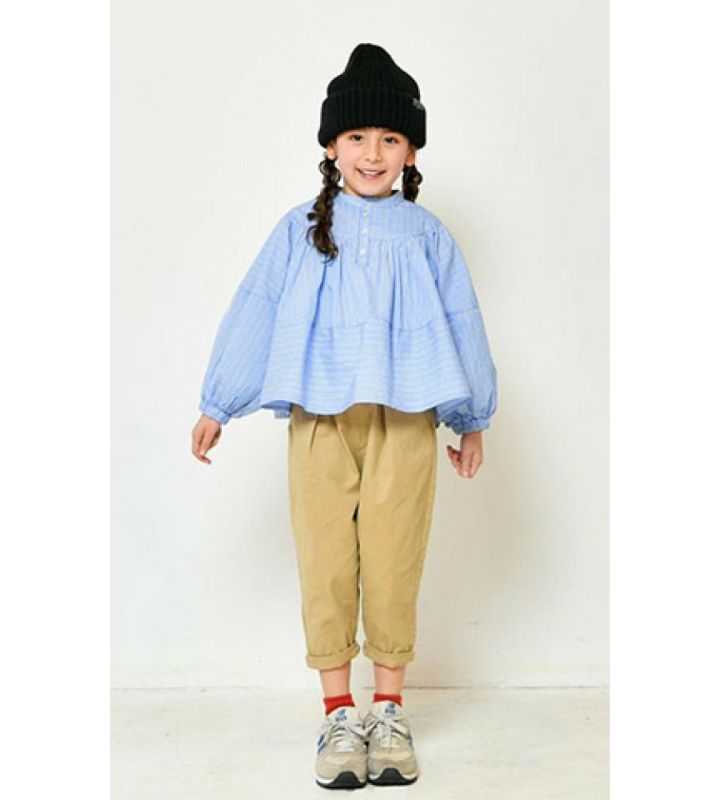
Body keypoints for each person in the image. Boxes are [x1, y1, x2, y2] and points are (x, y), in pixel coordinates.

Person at [191, 43, 498, 790]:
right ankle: (337, 714)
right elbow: (256, 307)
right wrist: (218, 402)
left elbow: (463, 321)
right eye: (357, 137)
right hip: (319, 419)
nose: (372, 153)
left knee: (394, 561)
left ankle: (388, 711)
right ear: (331, 146)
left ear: (411, 152)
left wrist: (471, 417)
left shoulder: (426, 236)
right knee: (326, 564)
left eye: (390, 139)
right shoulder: (300, 228)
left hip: (407, 420)